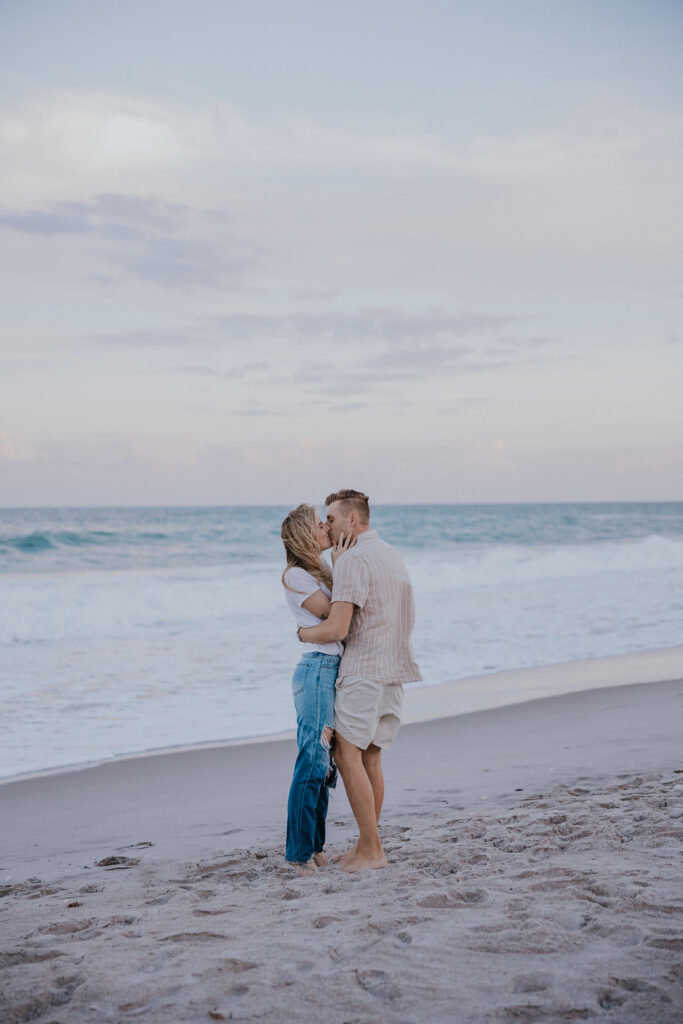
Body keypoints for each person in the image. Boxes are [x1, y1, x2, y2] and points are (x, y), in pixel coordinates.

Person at [296, 489, 421, 872]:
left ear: (353, 519)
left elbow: (336, 627)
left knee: (346, 756)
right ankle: (367, 845)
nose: (327, 526)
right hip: (394, 668)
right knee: (371, 757)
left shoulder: (353, 560)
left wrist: (302, 634)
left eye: (330, 519)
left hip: (363, 671)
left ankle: (372, 851)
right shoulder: (391, 555)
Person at [280, 504, 352, 875]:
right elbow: (332, 613)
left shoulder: (317, 571)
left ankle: (316, 847)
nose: (327, 527)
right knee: (311, 760)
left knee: (324, 765)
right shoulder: (296, 576)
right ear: (307, 536)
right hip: (316, 671)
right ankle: (297, 854)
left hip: (329, 670)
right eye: (319, 524)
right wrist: (342, 567)